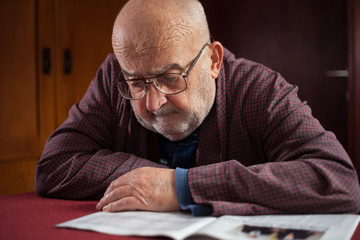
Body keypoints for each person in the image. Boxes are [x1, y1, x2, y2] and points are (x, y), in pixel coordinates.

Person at [35, 0, 360, 216]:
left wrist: (182, 187)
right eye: (136, 83)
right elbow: (54, 165)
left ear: (214, 61)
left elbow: (338, 180)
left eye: (171, 78)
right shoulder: (114, 77)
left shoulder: (262, 90)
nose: (152, 103)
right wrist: (159, 181)